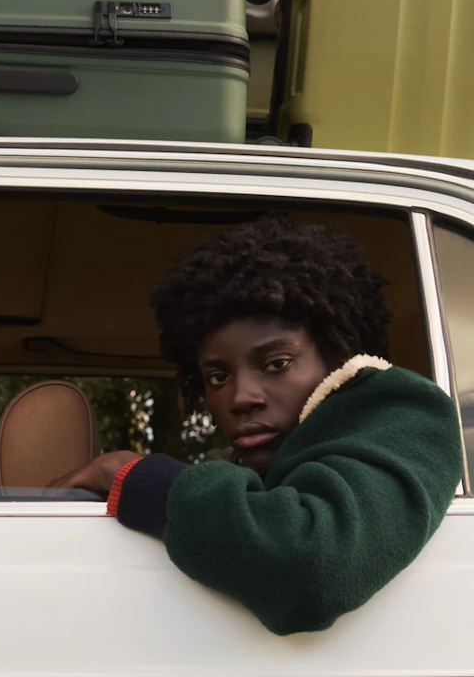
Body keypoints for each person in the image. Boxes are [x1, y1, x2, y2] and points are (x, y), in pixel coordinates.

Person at [50, 217, 462, 635]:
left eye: (276, 364)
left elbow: (309, 567)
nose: (239, 397)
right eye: (217, 377)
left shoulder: (406, 414)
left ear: (338, 358)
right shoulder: (250, 470)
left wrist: (131, 475)